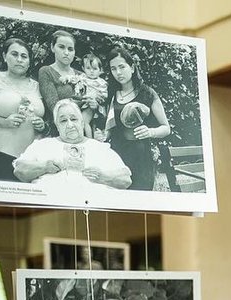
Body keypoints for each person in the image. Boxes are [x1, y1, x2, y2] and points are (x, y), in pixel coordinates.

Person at [0, 37, 46, 181]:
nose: (19, 59)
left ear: (29, 61)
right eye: (14, 54)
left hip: (31, 160)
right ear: (5, 56)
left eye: (24, 56)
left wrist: (42, 125)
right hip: (1, 153)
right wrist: (4, 122)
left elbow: (45, 115)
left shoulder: (37, 86)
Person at [13, 99, 132, 190]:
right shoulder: (43, 145)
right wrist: (44, 167)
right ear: (57, 126)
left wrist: (103, 177)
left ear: (81, 123)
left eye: (73, 119)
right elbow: (19, 171)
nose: (70, 125)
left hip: (90, 211)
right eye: (63, 121)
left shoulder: (100, 148)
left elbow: (125, 179)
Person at [102, 45, 171, 191]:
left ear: (132, 67)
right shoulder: (113, 94)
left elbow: (166, 128)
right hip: (117, 156)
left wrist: (151, 132)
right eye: (113, 69)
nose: (118, 72)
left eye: (122, 66)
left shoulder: (148, 93)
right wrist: (101, 135)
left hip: (141, 158)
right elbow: (109, 127)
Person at [36, 30, 93, 130]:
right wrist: (82, 102)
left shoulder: (82, 75)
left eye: (70, 49)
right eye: (61, 47)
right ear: (52, 47)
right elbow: (55, 106)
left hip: (83, 129)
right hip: (59, 129)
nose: (66, 52)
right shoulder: (46, 71)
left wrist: (93, 104)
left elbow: (90, 101)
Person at [71, 53, 110, 138]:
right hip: (81, 102)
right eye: (88, 68)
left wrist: (95, 97)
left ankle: (90, 140)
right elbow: (74, 80)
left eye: (95, 69)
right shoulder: (83, 77)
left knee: (84, 121)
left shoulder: (101, 82)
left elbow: (104, 95)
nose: (91, 71)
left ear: (100, 70)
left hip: (91, 105)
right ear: (83, 69)